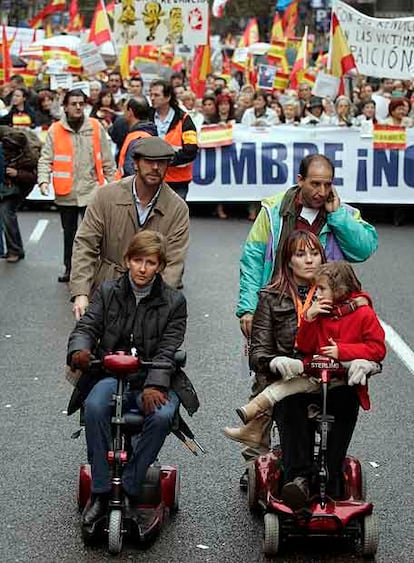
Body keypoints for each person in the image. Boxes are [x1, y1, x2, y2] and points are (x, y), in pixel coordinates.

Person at [67, 230, 190, 527]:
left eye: (150, 262)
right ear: (127, 261)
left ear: (160, 266)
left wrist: (156, 383)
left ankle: (132, 489)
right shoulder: (108, 291)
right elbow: (87, 326)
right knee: (95, 406)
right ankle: (99, 491)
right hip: (110, 375)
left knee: (162, 416)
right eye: (137, 260)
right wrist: (80, 350)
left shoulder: (174, 302)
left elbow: (168, 349)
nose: (143, 268)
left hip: (150, 377)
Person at [225, 260, 385, 462]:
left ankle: (333, 472)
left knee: (345, 403)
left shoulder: (363, 313)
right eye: (314, 288)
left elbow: (377, 349)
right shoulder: (316, 309)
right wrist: (309, 318)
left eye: (321, 288)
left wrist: (342, 351)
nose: (316, 293)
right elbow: (305, 347)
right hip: (311, 374)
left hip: (341, 380)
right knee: (288, 399)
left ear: (338, 289)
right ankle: (297, 474)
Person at [237, 154, 378, 339]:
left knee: (322, 366)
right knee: (273, 364)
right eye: (315, 184)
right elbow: (253, 259)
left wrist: (337, 216)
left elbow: (363, 250)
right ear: (300, 180)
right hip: (279, 306)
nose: (322, 191)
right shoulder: (273, 211)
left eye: (327, 185)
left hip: (326, 308)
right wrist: (248, 308)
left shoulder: (343, 213)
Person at [70, 136, 190, 320]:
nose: (155, 167)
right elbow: (86, 245)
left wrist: (158, 305)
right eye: (149, 161)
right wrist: (81, 293)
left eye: (161, 162)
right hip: (105, 289)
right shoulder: (106, 196)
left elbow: (173, 263)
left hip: (150, 296)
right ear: (135, 163)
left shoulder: (177, 208)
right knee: (92, 346)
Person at [37, 88, 116, 283]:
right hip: (67, 192)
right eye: (74, 103)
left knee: (93, 234)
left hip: (91, 190)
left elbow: (107, 159)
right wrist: (43, 179)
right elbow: (46, 158)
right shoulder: (55, 130)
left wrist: (115, 183)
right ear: (65, 106)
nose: (78, 107)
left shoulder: (96, 127)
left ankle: (94, 269)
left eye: (82, 103)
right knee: (70, 234)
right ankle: (70, 269)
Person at [149, 79, 198, 200]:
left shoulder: (185, 120)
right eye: (151, 94)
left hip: (178, 181)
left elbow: (191, 150)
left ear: (167, 97)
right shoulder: (146, 117)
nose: (152, 98)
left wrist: (164, 161)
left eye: (156, 95)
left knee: (175, 217)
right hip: (150, 179)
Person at [0, 128, 37, 262]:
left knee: (6, 212)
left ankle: (14, 249)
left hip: (20, 185)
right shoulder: (6, 135)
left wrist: (17, 174)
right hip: (5, 181)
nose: (5, 153)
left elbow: (34, 177)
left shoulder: (31, 157)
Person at [114, 96, 157, 179]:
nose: (123, 114)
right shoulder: (147, 133)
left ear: (130, 112)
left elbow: (131, 170)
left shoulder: (138, 138)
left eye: (125, 110)